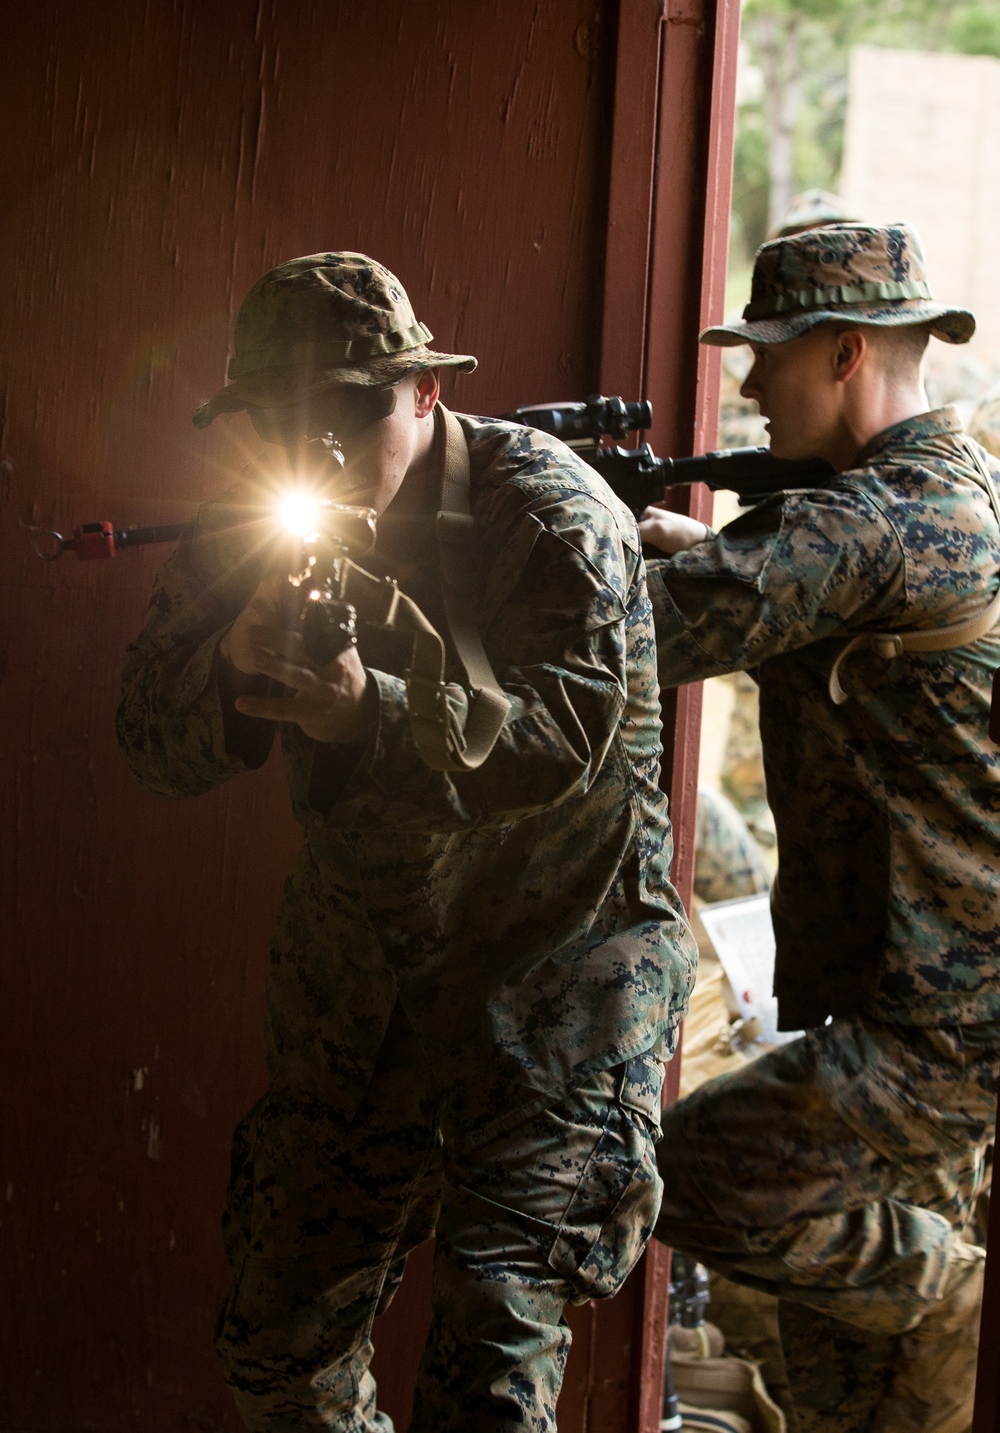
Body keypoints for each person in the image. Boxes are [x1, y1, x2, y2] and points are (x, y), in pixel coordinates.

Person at [116, 252, 695, 1432]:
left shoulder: (549, 510)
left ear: (425, 393)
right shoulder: (254, 519)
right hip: (365, 993)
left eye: (350, 410)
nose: (317, 449)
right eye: (283, 420)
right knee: (279, 1358)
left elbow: (559, 746)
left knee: (489, 1367)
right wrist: (231, 678)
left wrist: (358, 706)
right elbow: (145, 735)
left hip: (557, 987)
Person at [640, 221, 1000, 1433]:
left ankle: (962, 1298)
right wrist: (718, 552)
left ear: (845, 352)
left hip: (937, 1025)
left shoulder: (876, 524)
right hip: (917, 996)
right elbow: (844, 629)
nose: (745, 385)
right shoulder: (945, 488)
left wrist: (547, 514)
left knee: (687, 1169)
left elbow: (632, 638)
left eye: (768, 357)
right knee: (867, 1392)